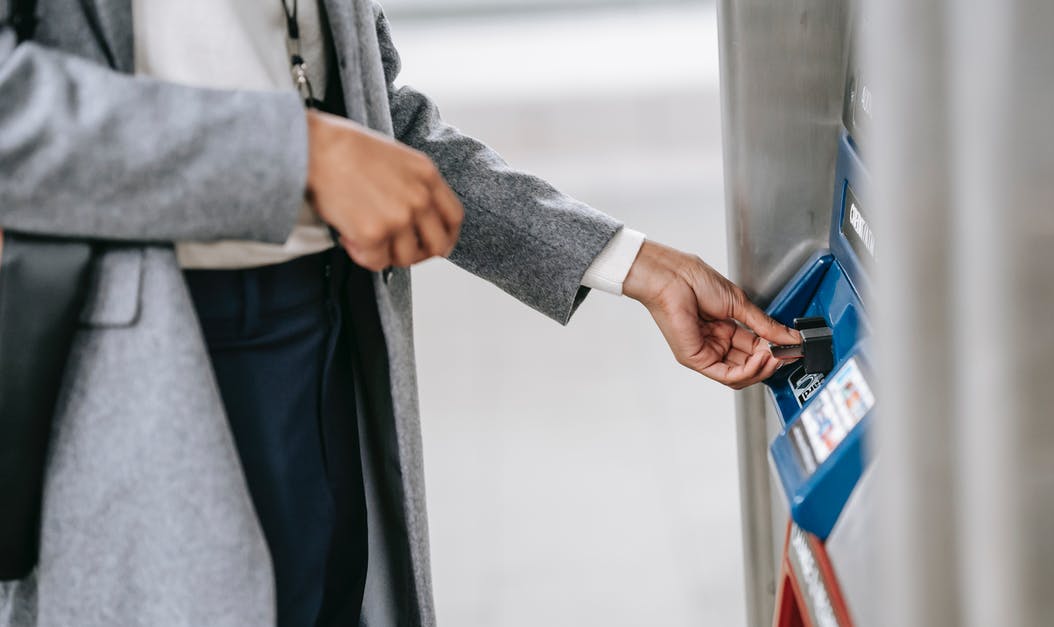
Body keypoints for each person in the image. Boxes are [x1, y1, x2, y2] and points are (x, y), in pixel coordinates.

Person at [0, 0, 800, 625]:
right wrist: (300, 154)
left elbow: (382, 125)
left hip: (328, 335)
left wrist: (627, 259)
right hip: (144, 365)